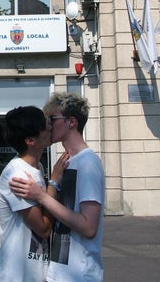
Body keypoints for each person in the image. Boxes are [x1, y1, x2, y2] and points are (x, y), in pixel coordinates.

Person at [9, 92, 105, 282]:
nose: (48, 125)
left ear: (71, 122)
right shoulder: (67, 162)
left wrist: (42, 196)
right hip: (59, 272)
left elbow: (89, 227)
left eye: (53, 119)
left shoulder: (88, 163)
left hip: (80, 274)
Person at [0, 105, 63, 282]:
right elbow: (43, 229)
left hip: (33, 272)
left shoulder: (36, 168)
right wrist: (53, 183)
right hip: (17, 275)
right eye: (44, 124)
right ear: (30, 140)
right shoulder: (17, 175)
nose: (50, 126)